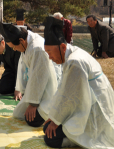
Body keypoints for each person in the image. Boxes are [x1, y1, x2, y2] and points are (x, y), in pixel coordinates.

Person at [43, 16, 114, 148]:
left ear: (63, 47)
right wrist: (54, 117)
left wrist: (56, 121)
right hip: (86, 100)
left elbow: (70, 96)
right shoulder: (70, 55)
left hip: (94, 107)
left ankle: (75, 140)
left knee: (50, 137)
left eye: (49, 52)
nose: (49, 57)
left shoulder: (75, 61)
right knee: (48, 128)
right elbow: (63, 89)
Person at [0, 21, 58, 127]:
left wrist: (33, 104)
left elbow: (39, 77)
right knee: (18, 114)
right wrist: (20, 89)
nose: (15, 49)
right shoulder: (26, 42)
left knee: (32, 120)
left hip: (47, 89)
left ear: (21, 40)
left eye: (14, 47)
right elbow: (22, 68)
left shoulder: (37, 48)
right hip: (36, 88)